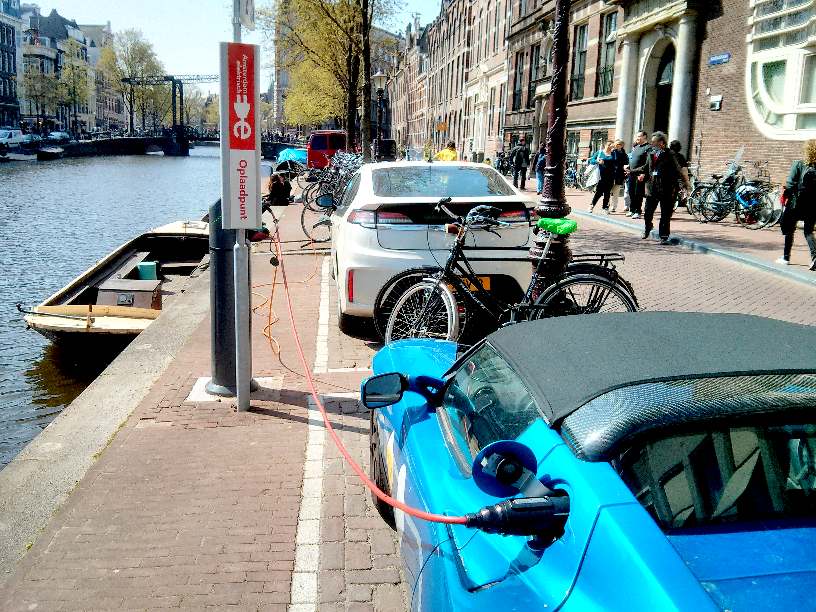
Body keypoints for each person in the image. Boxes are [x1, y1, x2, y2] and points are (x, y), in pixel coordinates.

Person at [631, 131, 690, 244]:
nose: (652, 144)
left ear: (661, 143)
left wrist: (683, 186)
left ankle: (663, 236)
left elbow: (678, 171)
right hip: (652, 188)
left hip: (666, 188)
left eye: (654, 142)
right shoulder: (651, 153)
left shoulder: (670, 154)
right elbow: (645, 167)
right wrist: (632, 171)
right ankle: (648, 227)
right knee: (648, 212)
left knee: (665, 214)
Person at [778, 139, 816, 270]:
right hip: (813, 205)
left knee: (790, 229)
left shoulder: (798, 164)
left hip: (797, 203)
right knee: (808, 231)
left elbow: (790, 184)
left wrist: (785, 191)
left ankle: (786, 257)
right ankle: (815, 257)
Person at [625, 131, 650, 219]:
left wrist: (643, 173)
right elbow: (632, 158)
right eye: (637, 136)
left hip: (640, 174)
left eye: (639, 136)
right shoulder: (636, 147)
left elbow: (648, 163)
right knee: (631, 192)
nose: (637, 138)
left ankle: (638, 211)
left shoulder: (648, 147)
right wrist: (628, 166)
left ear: (644, 137)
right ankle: (632, 210)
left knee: (638, 193)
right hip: (631, 173)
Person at [588, 142, 616, 213]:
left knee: (607, 192)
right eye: (608, 144)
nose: (610, 146)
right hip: (601, 175)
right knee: (599, 192)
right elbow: (592, 160)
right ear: (605, 145)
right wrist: (597, 161)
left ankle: (605, 207)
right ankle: (591, 205)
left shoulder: (613, 153)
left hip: (610, 175)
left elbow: (616, 163)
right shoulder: (600, 152)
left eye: (611, 145)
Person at [609, 139, 628, 213]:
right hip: (611, 174)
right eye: (617, 144)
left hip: (619, 175)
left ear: (622, 145)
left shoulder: (624, 154)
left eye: (620, 144)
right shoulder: (612, 152)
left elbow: (626, 163)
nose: (618, 146)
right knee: (609, 191)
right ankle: (607, 205)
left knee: (616, 192)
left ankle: (613, 207)